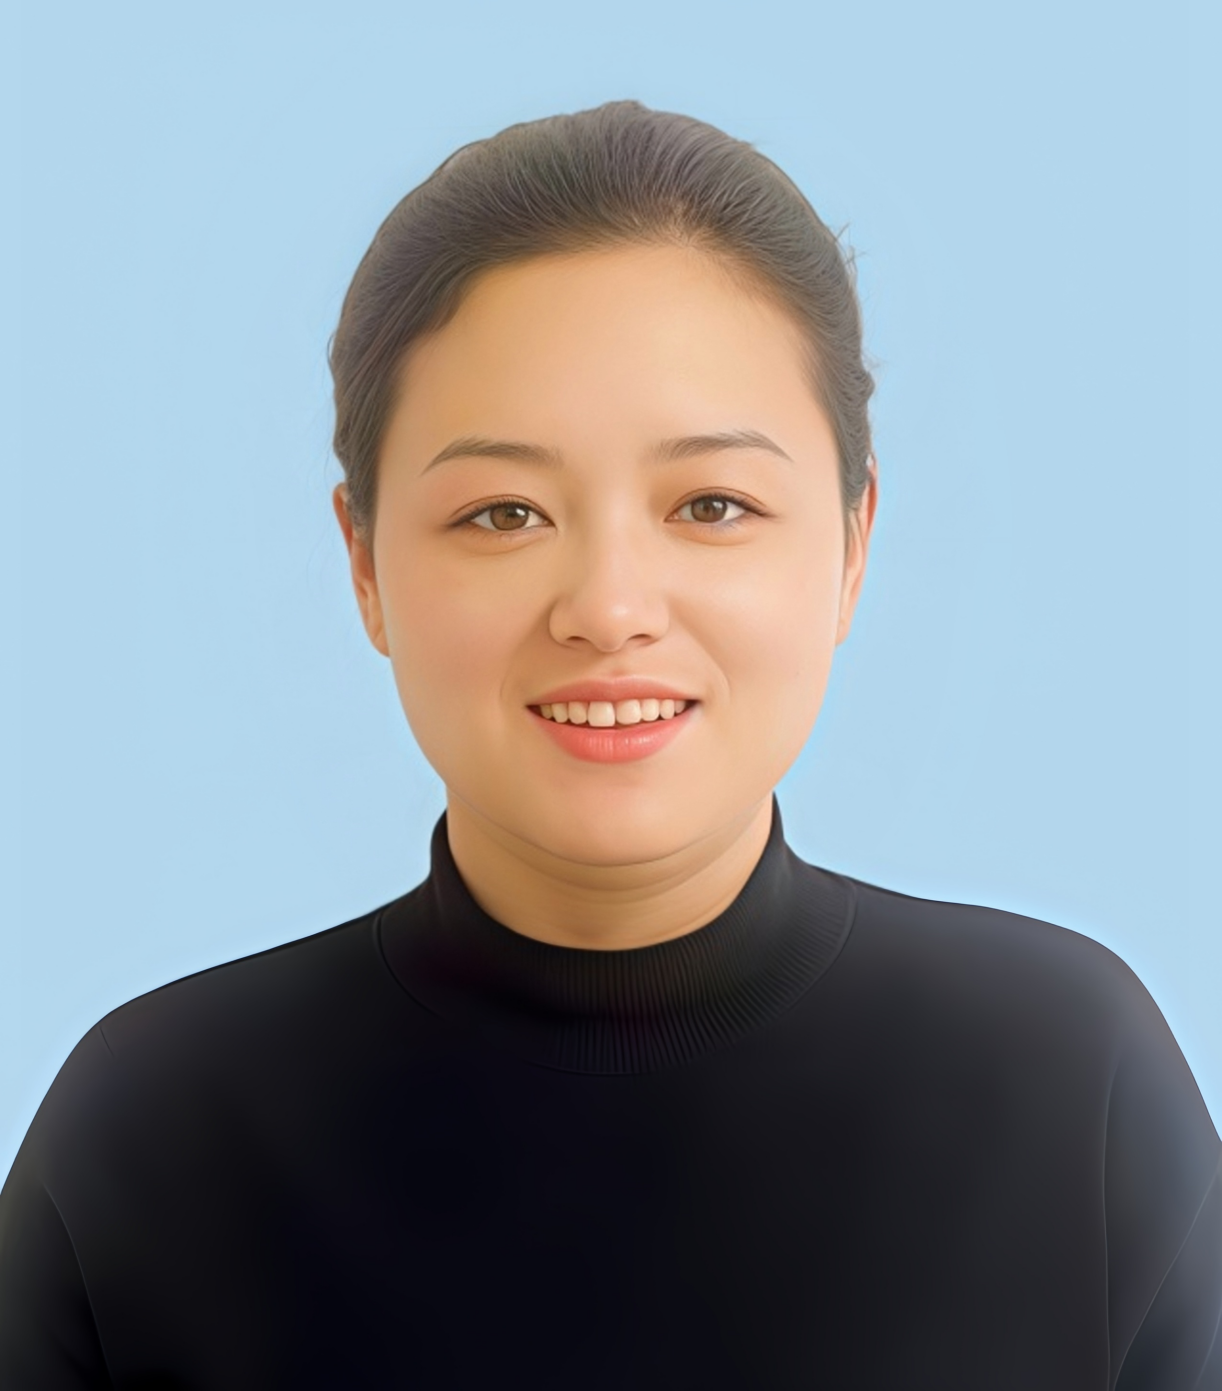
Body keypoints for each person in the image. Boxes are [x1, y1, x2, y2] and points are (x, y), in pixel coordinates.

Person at [1, 99, 1218, 1389]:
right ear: (363, 564)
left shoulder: (1070, 1086)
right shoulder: (150, 1135)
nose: (610, 608)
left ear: (853, 545)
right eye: (503, 513)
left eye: (713, 504)